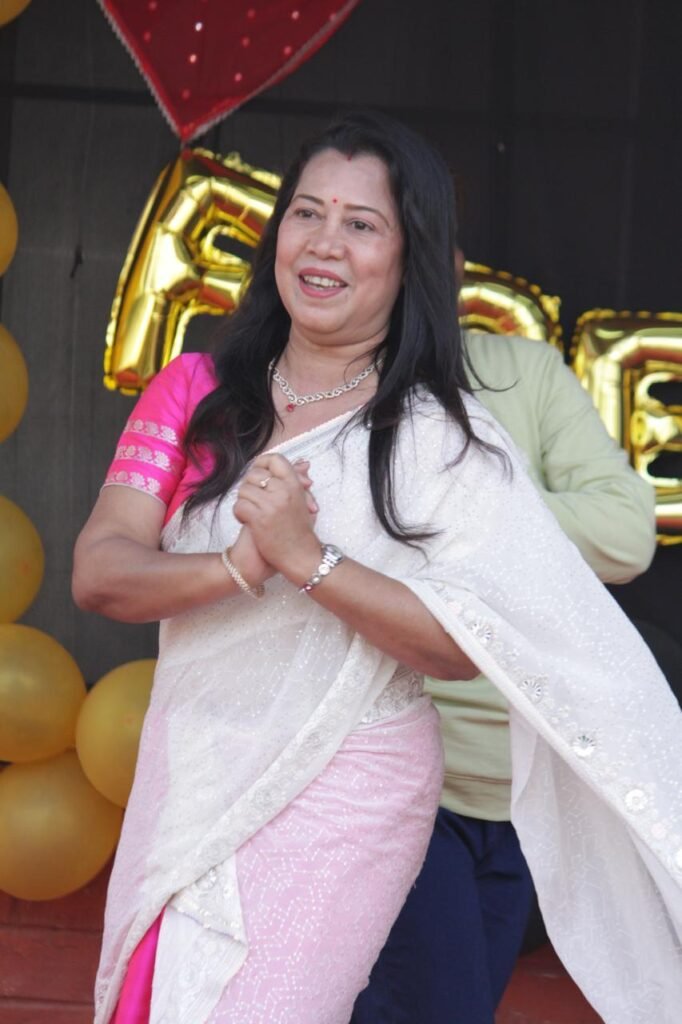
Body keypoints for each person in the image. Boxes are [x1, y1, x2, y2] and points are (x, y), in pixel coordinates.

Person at [72, 111, 681, 1024]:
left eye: (362, 224)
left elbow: (458, 648)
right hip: (193, 759)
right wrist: (240, 564)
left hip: (349, 782)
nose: (325, 243)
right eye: (307, 213)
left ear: (410, 260)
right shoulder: (197, 393)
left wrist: (308, 559)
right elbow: (100, 573)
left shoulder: (443, 439)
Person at [351, 328, 657, 1024]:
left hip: (522, 788)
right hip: (396, 776)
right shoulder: (340, 374)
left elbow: (625, 532)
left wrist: (470, 508)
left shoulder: (524, 368)